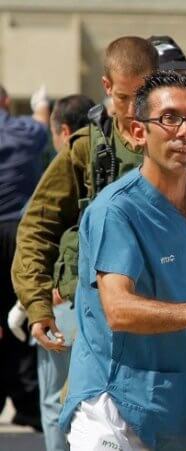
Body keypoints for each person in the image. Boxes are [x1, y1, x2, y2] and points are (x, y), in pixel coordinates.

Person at [11, 36, 186, 355]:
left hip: (184, 316)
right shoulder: (87, 149)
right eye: (122, 97)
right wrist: (37, 302)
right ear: (106, 86)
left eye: (141, 95)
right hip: (101, 321)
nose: (133, 109)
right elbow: (37, 227)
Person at [58, 71, 186, 450]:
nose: (185, 131)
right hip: (114, 408)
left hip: (182, 405)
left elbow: (185, 270)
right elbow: (119, 310)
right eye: (169, 118)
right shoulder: (116, 211)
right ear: (138, 132)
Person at [6, 93, 96, 451]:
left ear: (65, 132)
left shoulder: (60, 177)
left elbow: (34, 238)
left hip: (61, 306)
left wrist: (31, 300)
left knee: (56, 400)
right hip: (102, 305)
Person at [0, 83, 47, 431]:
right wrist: (40, 104)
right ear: (4, 100)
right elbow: (44, 125)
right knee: (23, 312)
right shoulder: (24, 130)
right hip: (18, 232)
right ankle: (28, 402)